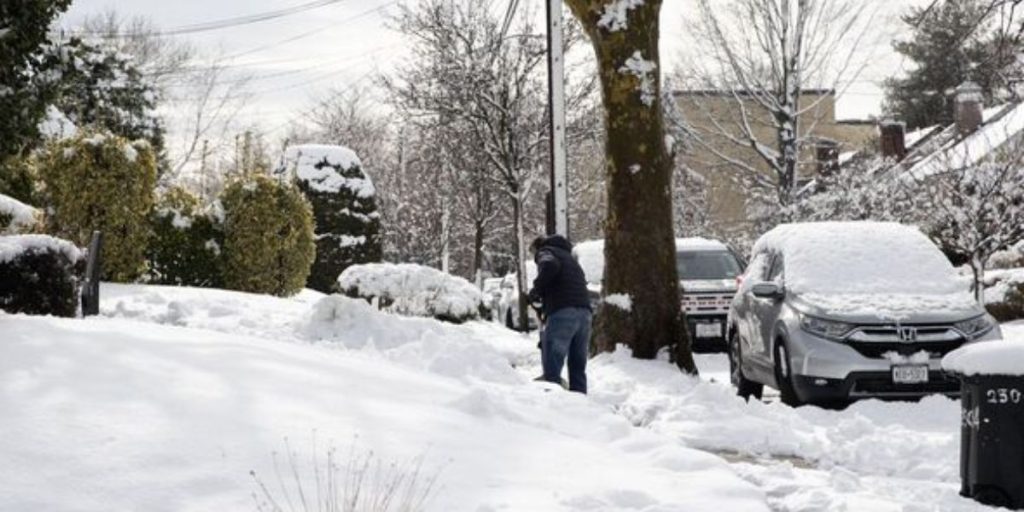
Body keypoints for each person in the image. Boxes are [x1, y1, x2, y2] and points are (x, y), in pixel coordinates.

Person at [527, 234, 592, 394]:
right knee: (577, 364)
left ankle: (553, 404)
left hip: (563, 312)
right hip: (584, 313)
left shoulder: (546, 252)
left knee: (553, 361)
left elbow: (549, 266)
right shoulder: (570, 259)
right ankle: (582, 404)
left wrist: (536, 291)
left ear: (537, 248)